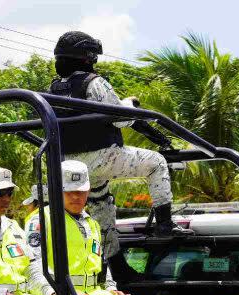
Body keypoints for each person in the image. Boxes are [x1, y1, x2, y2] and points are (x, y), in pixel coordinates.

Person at [49, 31, 187, 264]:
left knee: (102, 208)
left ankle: (115, 268)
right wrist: (131, 106)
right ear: (88, 57)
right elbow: (122, 119)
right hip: (103, 156)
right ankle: (164, 224)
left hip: (71, 167)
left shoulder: (53, 89)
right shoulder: (94, 83)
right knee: (156, 163)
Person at [25, 160, 135, 295]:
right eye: (69, 191)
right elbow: (32, 267)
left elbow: (101, 264)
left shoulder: (92, 223)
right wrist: (57, 293)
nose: (76, 196)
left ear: (88, 191)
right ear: (57, 191)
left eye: (81, 191)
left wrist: (111, 288)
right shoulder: (41, 220)